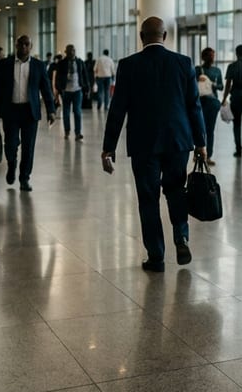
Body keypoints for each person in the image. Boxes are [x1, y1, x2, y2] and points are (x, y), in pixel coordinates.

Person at [101, 17, 207, 273]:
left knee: (148, 199)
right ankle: (181, 236)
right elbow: (194, 105)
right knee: (175, 190)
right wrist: (201, 143)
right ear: (165, 35)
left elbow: (117, 109)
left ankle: (156, 256)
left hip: (143, 144)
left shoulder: (128, 66)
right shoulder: (183, 63)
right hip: (177, 141)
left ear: (141, 36)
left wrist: (108, 147)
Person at [0, 35, 56, 191]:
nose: (23, 47)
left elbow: (46, 89)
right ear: (16, 45)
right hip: (10, 110)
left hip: (30, 112)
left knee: (28, 147)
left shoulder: (39, 66)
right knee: (11, 145)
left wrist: (51, 110)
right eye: (21, 44)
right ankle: (11, 165)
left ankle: (24, 178)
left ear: (31, 46)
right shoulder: (5, 64)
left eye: (27, 44)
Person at [52, 44, 90, 140]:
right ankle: (67, 131)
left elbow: (85, 75)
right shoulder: (62, 63)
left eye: (73, 51)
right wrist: (58, 88)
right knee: (66, 112)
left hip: (77, 90)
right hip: (66, 91)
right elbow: (58, 77)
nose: (71, 53)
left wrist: (87, 88)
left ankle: (78, 133)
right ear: (66, 52)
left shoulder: (80, 62)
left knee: (77, 111)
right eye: (69, 51)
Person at [195, 47, 224, 164]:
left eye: (213, 55)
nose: (212, 58)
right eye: (209, 56)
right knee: (199, 128)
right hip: (200, 102)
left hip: (212, 103)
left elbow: (221, 86)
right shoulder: (197, 69)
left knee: (210, 129)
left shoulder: (217, 71)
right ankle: (198, 152)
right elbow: (191, 83)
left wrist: (213, 84)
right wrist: (198, 79)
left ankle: (208, 156)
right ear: (203, 57)